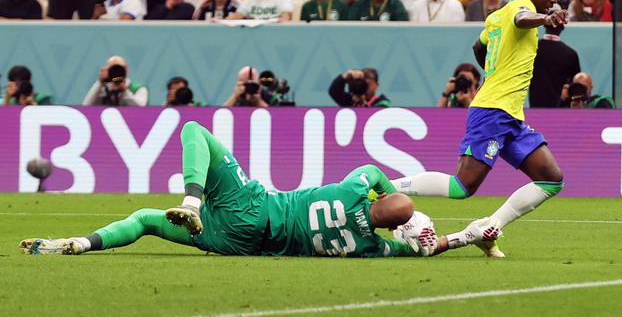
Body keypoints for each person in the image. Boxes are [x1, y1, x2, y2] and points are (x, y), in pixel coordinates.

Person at [20, 121, 446, 258]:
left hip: (253, 207)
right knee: (149, 221)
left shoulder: (355, 188)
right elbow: (426, 248)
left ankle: (190, 201)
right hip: (237, 243)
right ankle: (78, 243)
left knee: (192, 131)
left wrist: (385, 191)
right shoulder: (370, 248)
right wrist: (470, 235)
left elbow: (372, 172)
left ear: (382, 201)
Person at [391, 0, 568, 258]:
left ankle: (488, 228)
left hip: (509, 114)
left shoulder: (496, 16)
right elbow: (523, 18)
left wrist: (495, 69)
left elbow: (478, 46)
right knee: (462, 186)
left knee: (551, 178)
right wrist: (546, 19)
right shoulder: (517, 9)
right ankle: (384, 187)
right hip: (493, 111)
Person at [529, 23, 581, 108]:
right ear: (562, 28)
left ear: (545, 25)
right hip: (559, 107)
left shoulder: (532, 50)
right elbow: (574, 85)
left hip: (536, 105)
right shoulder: (570, 54)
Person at [82, 55, 148, 106]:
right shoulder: (103, 90)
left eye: (119, 68)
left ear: (126, 69)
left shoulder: (138, 88)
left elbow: (141, 109)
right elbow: (86, 106)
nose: (116, 72)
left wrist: (124, 91)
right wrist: (99, 83)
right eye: (113, 69)